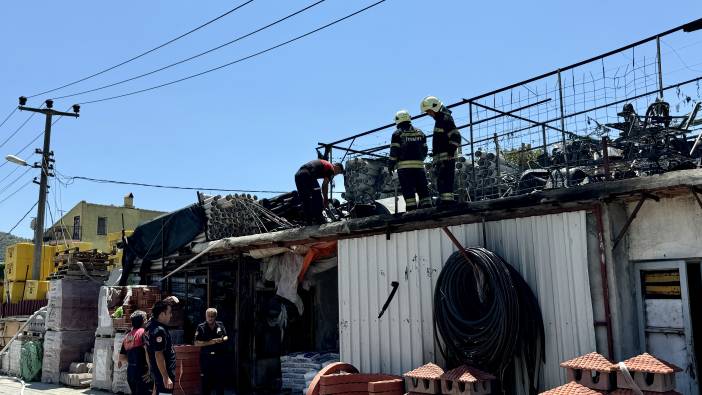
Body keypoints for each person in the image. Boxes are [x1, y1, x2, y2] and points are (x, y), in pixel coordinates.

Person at [421, 96, 462, 206]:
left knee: (446, 181)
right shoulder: (440, 120)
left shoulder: (445, 119)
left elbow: (456, 136)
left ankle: (447, 203)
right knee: (441, 182)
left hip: (446, 158)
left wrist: (450, 151)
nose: (428, 114)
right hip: (441, 158)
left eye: (429, 111)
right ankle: (445, 202)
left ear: (435, 107)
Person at [388, 110, 431, 211]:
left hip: (405, 169)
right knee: (423, 189)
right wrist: (420, 159)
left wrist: (391, 165)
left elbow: (394, 152)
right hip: (420, 168)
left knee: (408, 190)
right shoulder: (420, 132)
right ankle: (428, 209)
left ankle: (412, 211)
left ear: (398, 120)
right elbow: (425, 150)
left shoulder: (397, 134)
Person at [144, 299, 177, 394]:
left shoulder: (150, 326)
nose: (171, 315)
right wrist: (165, 377)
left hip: (158, 373)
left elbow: (147, 350)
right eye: (169, 313)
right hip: (163, 374)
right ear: (162, 314)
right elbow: (158, 354)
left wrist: (153, 370)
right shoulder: (159, 331)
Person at [294, 159, 344, 224]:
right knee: (317, 197)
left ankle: (309, 222)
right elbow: (324, 185)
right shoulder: (331, 169)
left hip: (298, 175)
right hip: (307, 174)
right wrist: (325, 199)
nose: (336, 174)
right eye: (338, 172)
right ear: (337, 167)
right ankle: (319, 219)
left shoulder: (325, 164)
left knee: (305, 199)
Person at [194, 308, 229, 395]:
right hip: (206, 359)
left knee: (220, 383)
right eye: (208, 316)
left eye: (212, 316)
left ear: (215, 317)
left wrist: (222, 339)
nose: (210, 318)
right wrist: (212, 342)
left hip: (219, 358)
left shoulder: (220, 325)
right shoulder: (201, 327)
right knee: (206, 383)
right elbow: (196, 343)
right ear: (206, 316)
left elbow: (226, 336)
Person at [118, 310, 152, 395]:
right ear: (144, 321)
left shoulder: (127, 336)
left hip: (131, 372)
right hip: (142, 372)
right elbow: (147, 352)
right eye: (146, 319)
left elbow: (121, 358)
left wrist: (132, 361)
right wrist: (150, 370)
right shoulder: (143, 333)